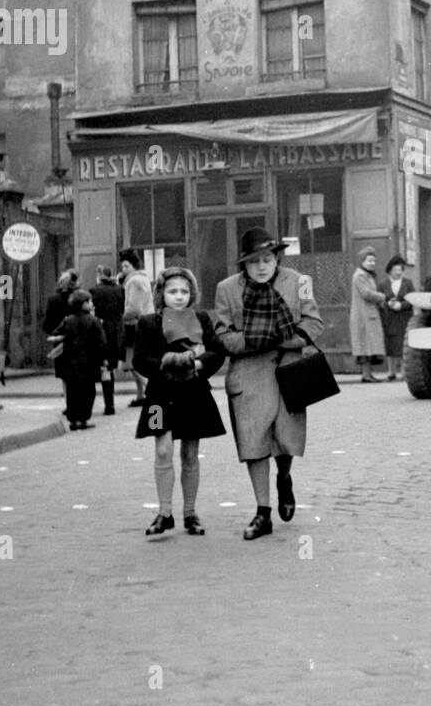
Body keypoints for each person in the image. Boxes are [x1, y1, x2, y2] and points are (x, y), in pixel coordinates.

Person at [213, 229, 325, 541]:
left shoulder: (299, 282)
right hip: (249, 375)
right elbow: (221, 335)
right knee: (254, 443)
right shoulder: (226, 290)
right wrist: (253, 341)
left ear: (276, 257)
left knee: (286, 440)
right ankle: (263, 513)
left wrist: (283, 339)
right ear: (243, 265)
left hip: (290, 371)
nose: (263, 266)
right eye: (254, 261)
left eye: (268, 259)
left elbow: (314, 322)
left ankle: (284, 478)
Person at [132, 266, 226, 537]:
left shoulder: (202, 319)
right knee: (162, 450)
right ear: (161, 293)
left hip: (193, 392)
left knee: (189, 453)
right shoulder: (148, 322)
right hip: (159, 397)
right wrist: (166, 362)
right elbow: (139, 359)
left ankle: (190, 512)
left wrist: (197, 364)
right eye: (173, 291)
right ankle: (164, 512)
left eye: (185, 291)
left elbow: (217, 351)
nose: (179, 296)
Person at [49, 289, 106, 431]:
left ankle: (73, 420)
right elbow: (102, 342)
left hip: (70, 362)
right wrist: (102, 359)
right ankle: (83, 419)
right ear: (83, 304)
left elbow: (56, 334)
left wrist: (64, 340)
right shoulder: (94, 321)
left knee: (72, 392)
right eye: (89, 301)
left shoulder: (68, 320)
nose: (92, 303)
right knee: (88, 392)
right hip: (89, 362)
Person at [119, 249, 155, 408]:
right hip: (145, 324)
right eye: (123, 266)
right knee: (136, 362)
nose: (123, 270)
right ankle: (141, 395)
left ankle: (151, 391)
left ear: (133, 266)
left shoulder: (134, 281)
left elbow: (133, 308)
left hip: (135, 325)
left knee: (131, 363)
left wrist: (118, 317)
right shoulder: (143, 279)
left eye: (126, 266)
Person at [90, 264, 125, 416]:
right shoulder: (119, 289)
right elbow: (122, 309)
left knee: (102, 366)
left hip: (102, 329)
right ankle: (110, 404)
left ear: (99, 275)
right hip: (117, 330)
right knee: (110, 367)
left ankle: (101, 404)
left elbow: (93, 311)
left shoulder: (95, 290)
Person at [349, 247, 387, 383]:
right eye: (369, 260)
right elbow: (366, 293)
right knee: (365, 346)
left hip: (368, 315)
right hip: (363, 316)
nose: (372, 263)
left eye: (373, 261)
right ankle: (366, 375)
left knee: (368, 346)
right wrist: (382, 296)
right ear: (362, 261)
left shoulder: (366, 275)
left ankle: (368, 374)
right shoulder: (360, 276)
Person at [380, 254, 415, 381]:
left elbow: (412, 299)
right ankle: (391, 371)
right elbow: (379, 301)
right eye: (395, 270)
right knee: (390, 344)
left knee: (403, 344)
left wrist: (401, 305)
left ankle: (403, 372)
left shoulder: (408, 283)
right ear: (390, 271)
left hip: (404, 317)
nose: (398, 272)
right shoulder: (383, 284)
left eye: (400, 270)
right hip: (389, 318)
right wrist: (388, 304)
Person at [42, 270, 77, 384]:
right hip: (76, 337)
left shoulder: (53, 299)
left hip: (59, 338)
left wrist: (52, 332)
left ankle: (67, 398)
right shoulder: (77, 297)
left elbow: (48, 322)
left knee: (63, 373)